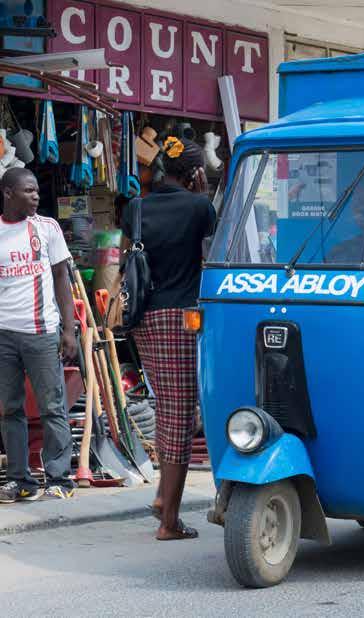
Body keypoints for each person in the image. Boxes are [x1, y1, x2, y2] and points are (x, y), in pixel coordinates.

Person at [122, 136, 215, 540]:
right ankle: (168, 521)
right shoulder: (200, 207)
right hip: (181, 316)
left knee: (169, 406)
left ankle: (164, 496)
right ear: (195, 173)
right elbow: (212, 257)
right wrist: (206, 197)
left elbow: (127, 259)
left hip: (143, 318)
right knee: (179, 415)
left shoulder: (136, 207)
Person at [0, 168, 78, 502]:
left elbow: (62, 278)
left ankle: (60, 478)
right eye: (28, 191)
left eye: (36, 191)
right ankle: (20, 480)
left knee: (52, 407)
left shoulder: (47, 228)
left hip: (42, 332)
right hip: (4, 334)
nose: (36, 196)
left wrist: (69, 329)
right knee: (9, 410)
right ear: (8, 193)